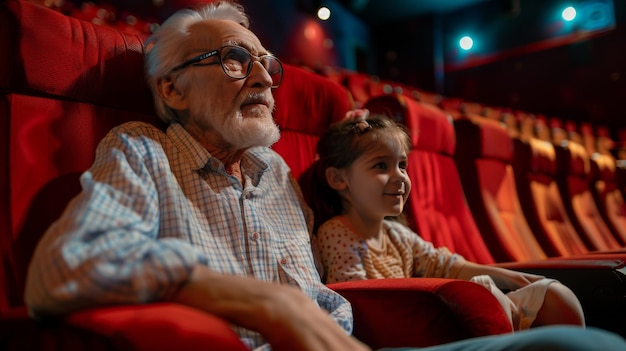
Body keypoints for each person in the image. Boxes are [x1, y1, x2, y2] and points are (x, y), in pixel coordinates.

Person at [23, 1, 626, 350]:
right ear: (172, 88)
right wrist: (258, 303)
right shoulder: (141, 150)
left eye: (266, 64)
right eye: (234, 60)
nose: (263, 79)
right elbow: (66, 264)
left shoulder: (280, 171)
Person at [300, 111, 585, 330]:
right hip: (400, 330)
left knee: (555, 295)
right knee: (487, 298)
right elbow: (355, 300)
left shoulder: (395, 233)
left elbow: (445, 264)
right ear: (338, 179)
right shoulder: (336, 232)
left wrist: (514, 277)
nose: (400, 177)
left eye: (402, 165)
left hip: (428, 317)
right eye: (380, 166)